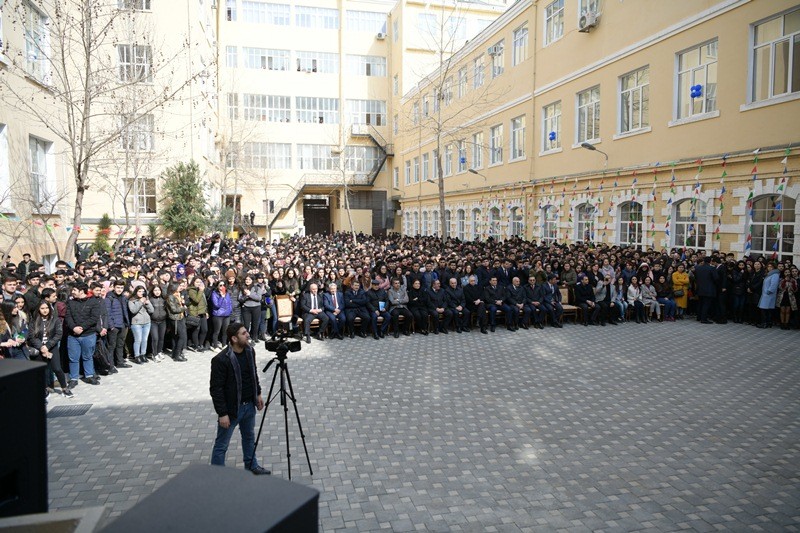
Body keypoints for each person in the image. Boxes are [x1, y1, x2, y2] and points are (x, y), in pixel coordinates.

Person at [209, 322, 270, 475]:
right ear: (234, 339)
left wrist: (258, 393)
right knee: (222, 445)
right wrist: (222, 413)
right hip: (231, 410)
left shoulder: (250, 351)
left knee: (249, 438)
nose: (248, 335)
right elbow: (216, 389)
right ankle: (217, 476)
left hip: (249, 405)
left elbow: (253, 373)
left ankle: (251, 466)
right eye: (244, 333)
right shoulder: (221, 360)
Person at [27, 300, 70, 396]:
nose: (45, 310)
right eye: (42, 308)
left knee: (57, 368)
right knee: (41, 370)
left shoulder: (55, 320)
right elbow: (32, 336)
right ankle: (45, 388)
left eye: (46, 308)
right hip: (39, 349)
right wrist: (41, 347)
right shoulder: (34, 321)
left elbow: (58, 334)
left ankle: (64, 388)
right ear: (38, 309)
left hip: (52, 347)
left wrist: (47, 346)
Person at [65, 282, 102, 386]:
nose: (72, 292)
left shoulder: (93, 302)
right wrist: (74, 327)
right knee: (73, 358)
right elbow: (68, 317)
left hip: (88, 334)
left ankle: (89, 376)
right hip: (73, 335)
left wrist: (82, 328)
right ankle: (73, 378)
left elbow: (94, 318)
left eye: (74, 290)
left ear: (81, 291)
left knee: (88, 356)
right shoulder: (71, 302)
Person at [105, 280, 131, 369]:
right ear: (114, 287)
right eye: (118, 287)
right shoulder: (109, 298)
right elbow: (108, 313)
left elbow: (125, 311)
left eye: (121, 288)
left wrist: (127, 323)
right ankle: (111, 365)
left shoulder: (123, 297)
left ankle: (120, 362)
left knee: (120, 345)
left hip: (123, 325)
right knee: (111, 346)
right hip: (114, 326)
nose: (120, 290)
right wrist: (111, 326)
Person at [128, 286, 154, 364]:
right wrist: (140, 302)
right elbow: (133, 310)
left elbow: (152, 310)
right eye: (139, 291)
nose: (141, 293)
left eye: (143, 291)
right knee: (138, 340)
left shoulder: (146, 299)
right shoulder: (131, 301)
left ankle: (143, 354)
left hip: (147, 322)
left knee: (144, 340)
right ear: (136, 292)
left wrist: (148, 303)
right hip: (136, 323)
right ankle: (137, 356)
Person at [166, 281, 188, 362]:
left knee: (177, 336)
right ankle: (177, 355)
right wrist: (184, 308)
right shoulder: (170, 297)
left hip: (181, 317)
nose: (180, 287)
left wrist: (183, 304)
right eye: (178, 286)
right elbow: (174, 309)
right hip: (175, 318)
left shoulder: (179, 295)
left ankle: (175, 353)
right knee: (181, 336)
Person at [239, 275, 264, 343]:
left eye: (249, 279)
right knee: (246, 324)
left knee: (255, 323)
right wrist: (246, 296)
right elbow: (240, 298)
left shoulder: (257, 288)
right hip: (246, 307)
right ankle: (247, 337)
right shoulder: (242, 288)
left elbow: (259, 298)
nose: (247, 281)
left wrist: (249, 294)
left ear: (252, 280)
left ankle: (254, 336)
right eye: (246, 279)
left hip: (256, 307)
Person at [187, 276, 209, 351]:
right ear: (193, 282)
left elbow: (204, 302)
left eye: (200, 282)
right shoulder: (191, 290)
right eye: (197, 282)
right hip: (195, 313)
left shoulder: (201, 290)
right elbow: (196, 300)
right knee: (196, 330)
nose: (198, 284)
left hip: (202, 312)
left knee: (205, 329)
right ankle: (196, 345)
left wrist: (206, 311)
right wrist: (200, 291)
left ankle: (200, 344)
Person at [694, 257, 718, 324]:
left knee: (700, 303)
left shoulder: (698, 268)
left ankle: (699, 317)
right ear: (710, 261)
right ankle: (704, 319)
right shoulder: (712, 268)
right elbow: (716, 278)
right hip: (709, 289)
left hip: (700, 288)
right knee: (706, 304)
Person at [210, 281, 233, 349]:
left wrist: (230, 310)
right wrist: (221, 297)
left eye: (224, 285)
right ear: (217, 286)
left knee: (225, 331)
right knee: (217, 331)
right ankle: (215, 346)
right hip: (218, 315)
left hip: (227, 314)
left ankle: (224, 344)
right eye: (220, 285)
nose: (222, 287)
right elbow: (217, 305)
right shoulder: (214, 294)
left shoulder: (227, 293)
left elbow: (229, 303)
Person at [149, 285, 168, 362]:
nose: (157, 292)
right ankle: (154, 354)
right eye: (155, 290)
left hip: (163, 321)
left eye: (158, 290)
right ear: (152, 291)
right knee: (155, 338)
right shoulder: (150, 300)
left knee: (161, 338)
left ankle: (159, 351)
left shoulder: (164, 299)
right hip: (153, 322)